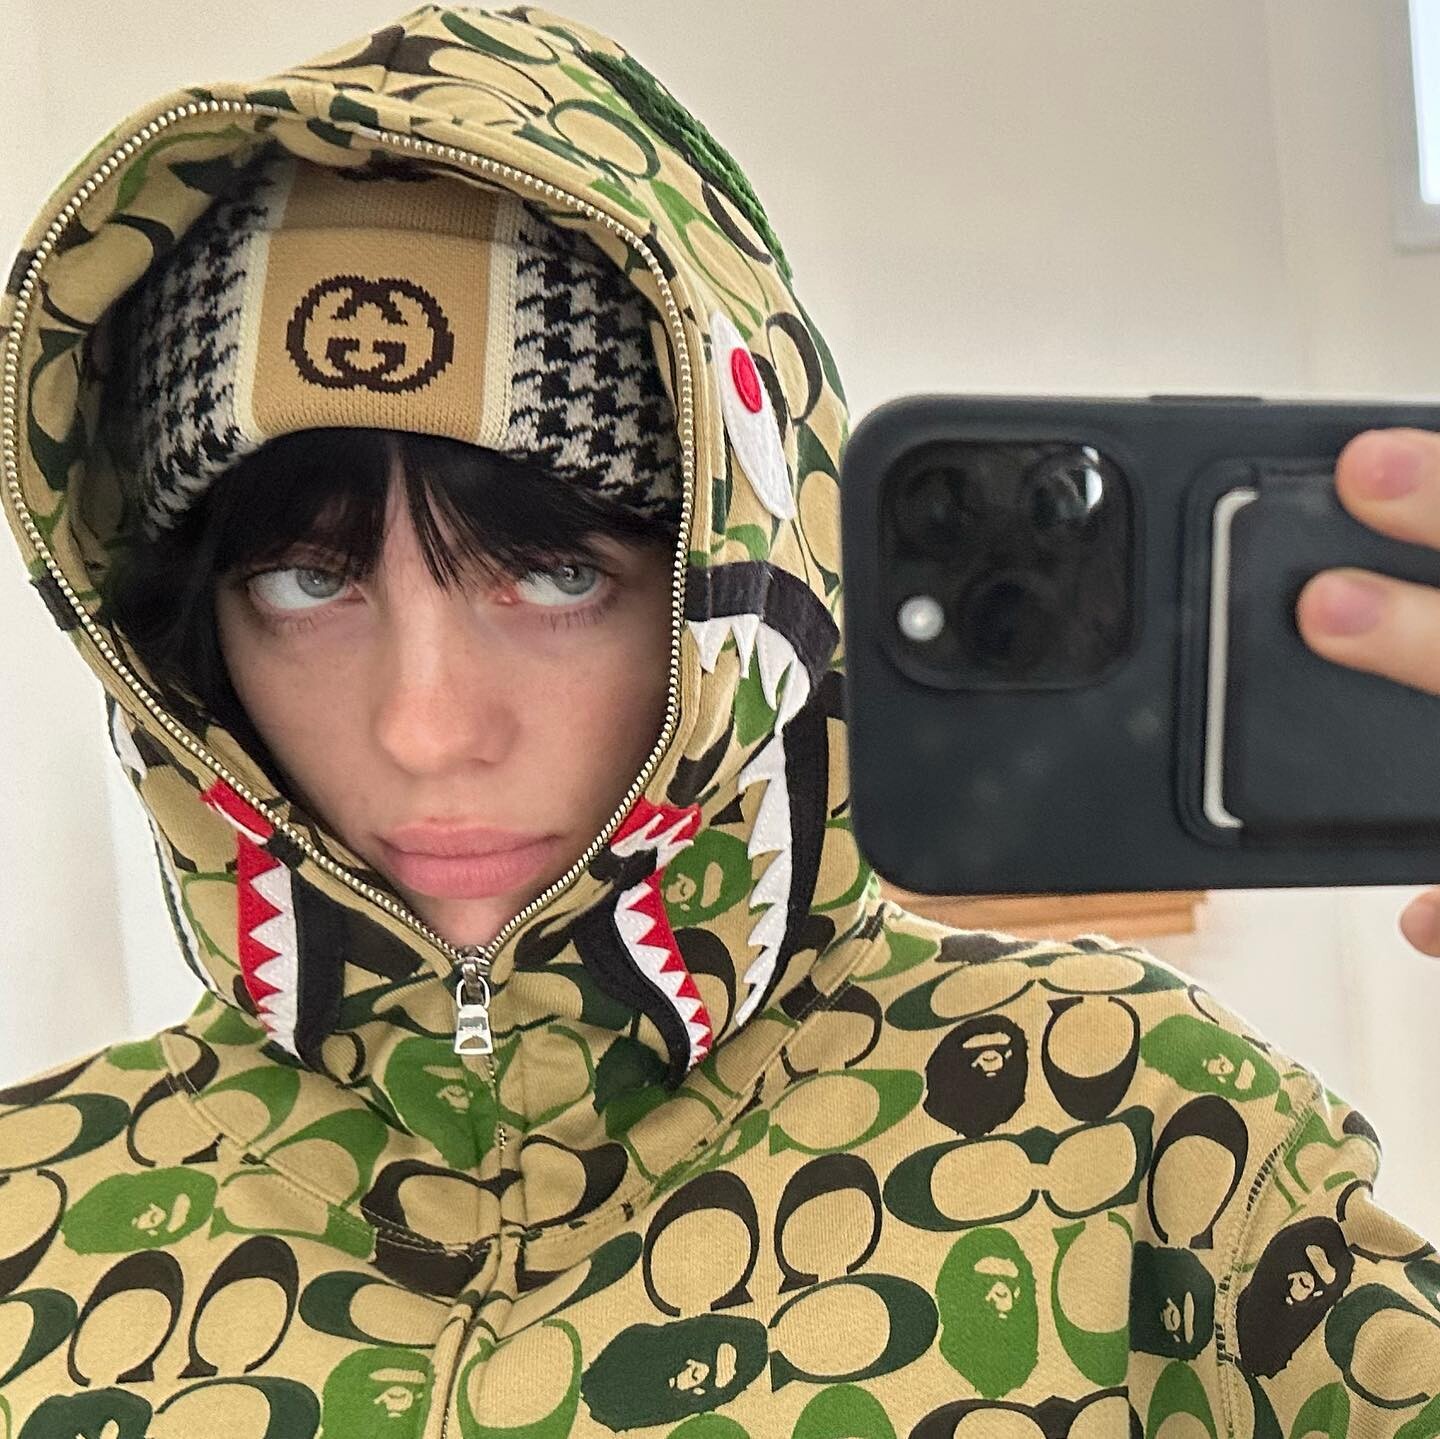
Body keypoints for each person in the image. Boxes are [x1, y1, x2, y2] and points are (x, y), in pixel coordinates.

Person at [1, 6, 1437, 1435]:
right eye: (308, 582)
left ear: (743, 583)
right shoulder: (32, 1220)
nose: (426, 728)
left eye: (556, 576)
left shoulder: (1128, 1128)